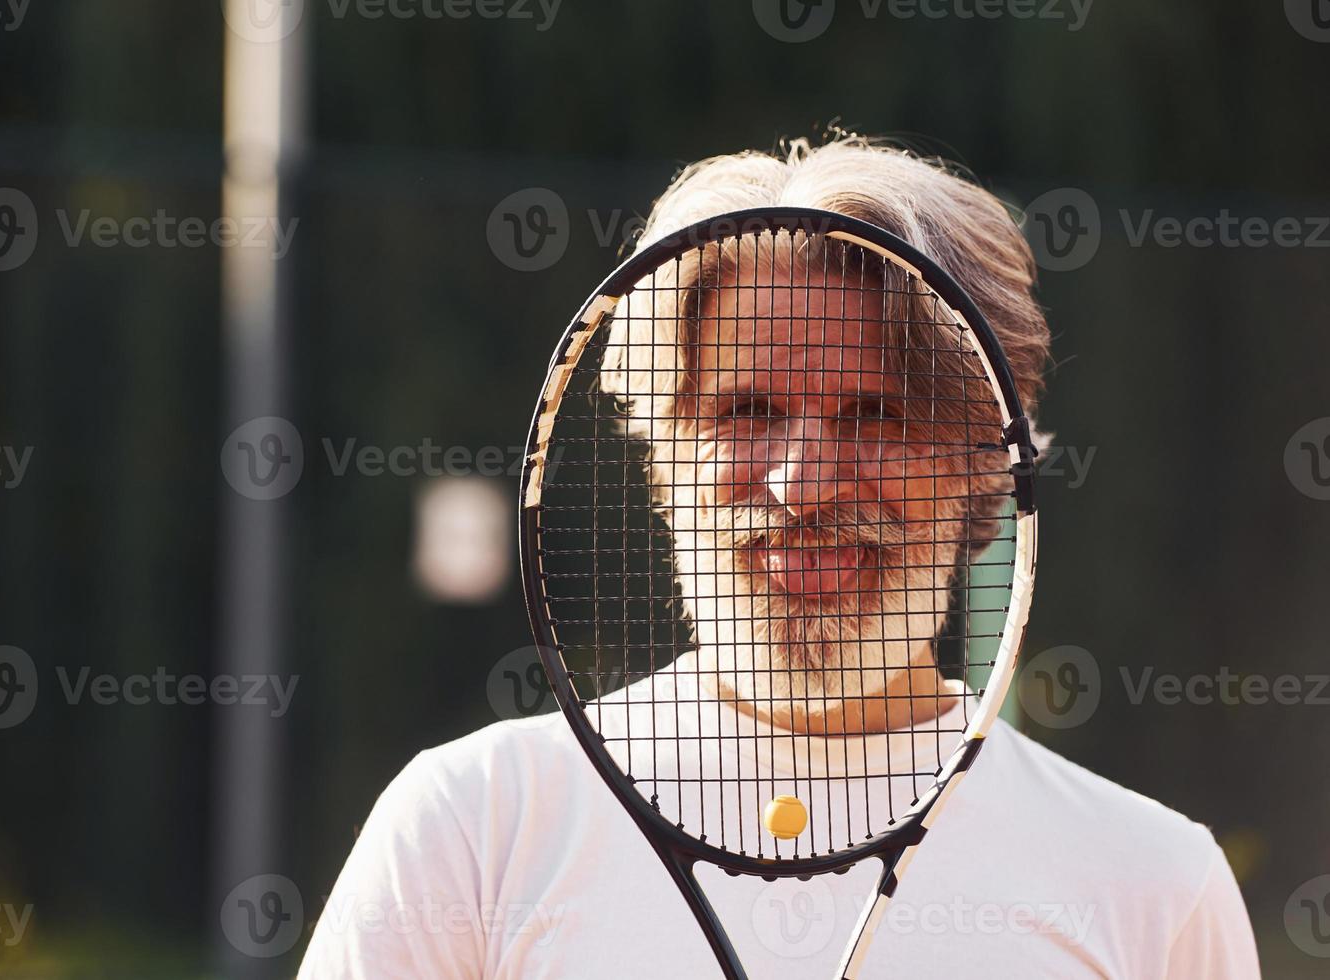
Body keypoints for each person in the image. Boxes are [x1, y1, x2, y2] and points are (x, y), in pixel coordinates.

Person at [299, 135, 1260, 978]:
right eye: (748, 412)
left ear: (984, 462)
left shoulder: (1152, 885)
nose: (802, 486)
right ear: (666, 455)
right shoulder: (472, 828)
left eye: (877, 415)